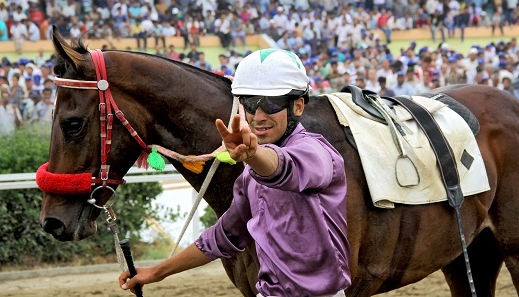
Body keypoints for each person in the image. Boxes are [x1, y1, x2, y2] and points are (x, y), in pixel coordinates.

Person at [119, 49, 351, 297]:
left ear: (298, 106)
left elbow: (285, 167)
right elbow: (223, 236)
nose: (259, 116)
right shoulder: (250, 175)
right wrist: (156, 272)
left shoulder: (318, 153)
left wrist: (253, 156)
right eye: (251, 104)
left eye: (271, 104)